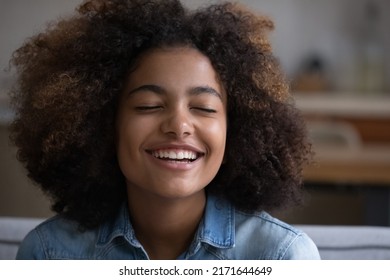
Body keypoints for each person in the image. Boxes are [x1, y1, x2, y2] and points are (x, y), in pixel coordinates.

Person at [10, 0, 320, 260]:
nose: (179, 126)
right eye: (148, 105)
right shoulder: (49, 254)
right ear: (104, 124)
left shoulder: (281, 256)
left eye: (204, 108)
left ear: (234, 132)